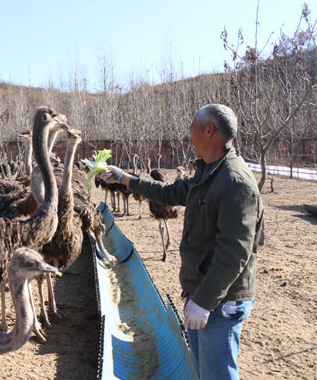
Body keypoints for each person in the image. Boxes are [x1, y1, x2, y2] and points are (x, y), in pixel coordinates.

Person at [99, 104, 264, 380]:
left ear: (209, 131)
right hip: (200, 293)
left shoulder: (235, 182)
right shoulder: (208, 173)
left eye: (192, 129)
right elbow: (167, 193)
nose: (189, 136)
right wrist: (123, 178)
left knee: (218, 375)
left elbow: (235, 253)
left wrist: (204, 301)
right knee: (202, 372)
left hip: (220, 302)